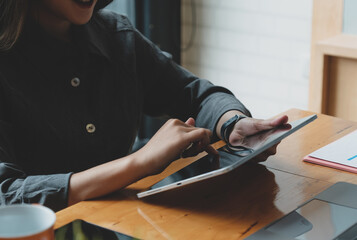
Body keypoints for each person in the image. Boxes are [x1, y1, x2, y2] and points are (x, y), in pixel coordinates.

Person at [0, 0, 288, 211]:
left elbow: (193, 93)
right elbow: (6, 195)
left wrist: (232, 123)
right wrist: (139, 163)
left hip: (118, 221)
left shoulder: (116, 36)